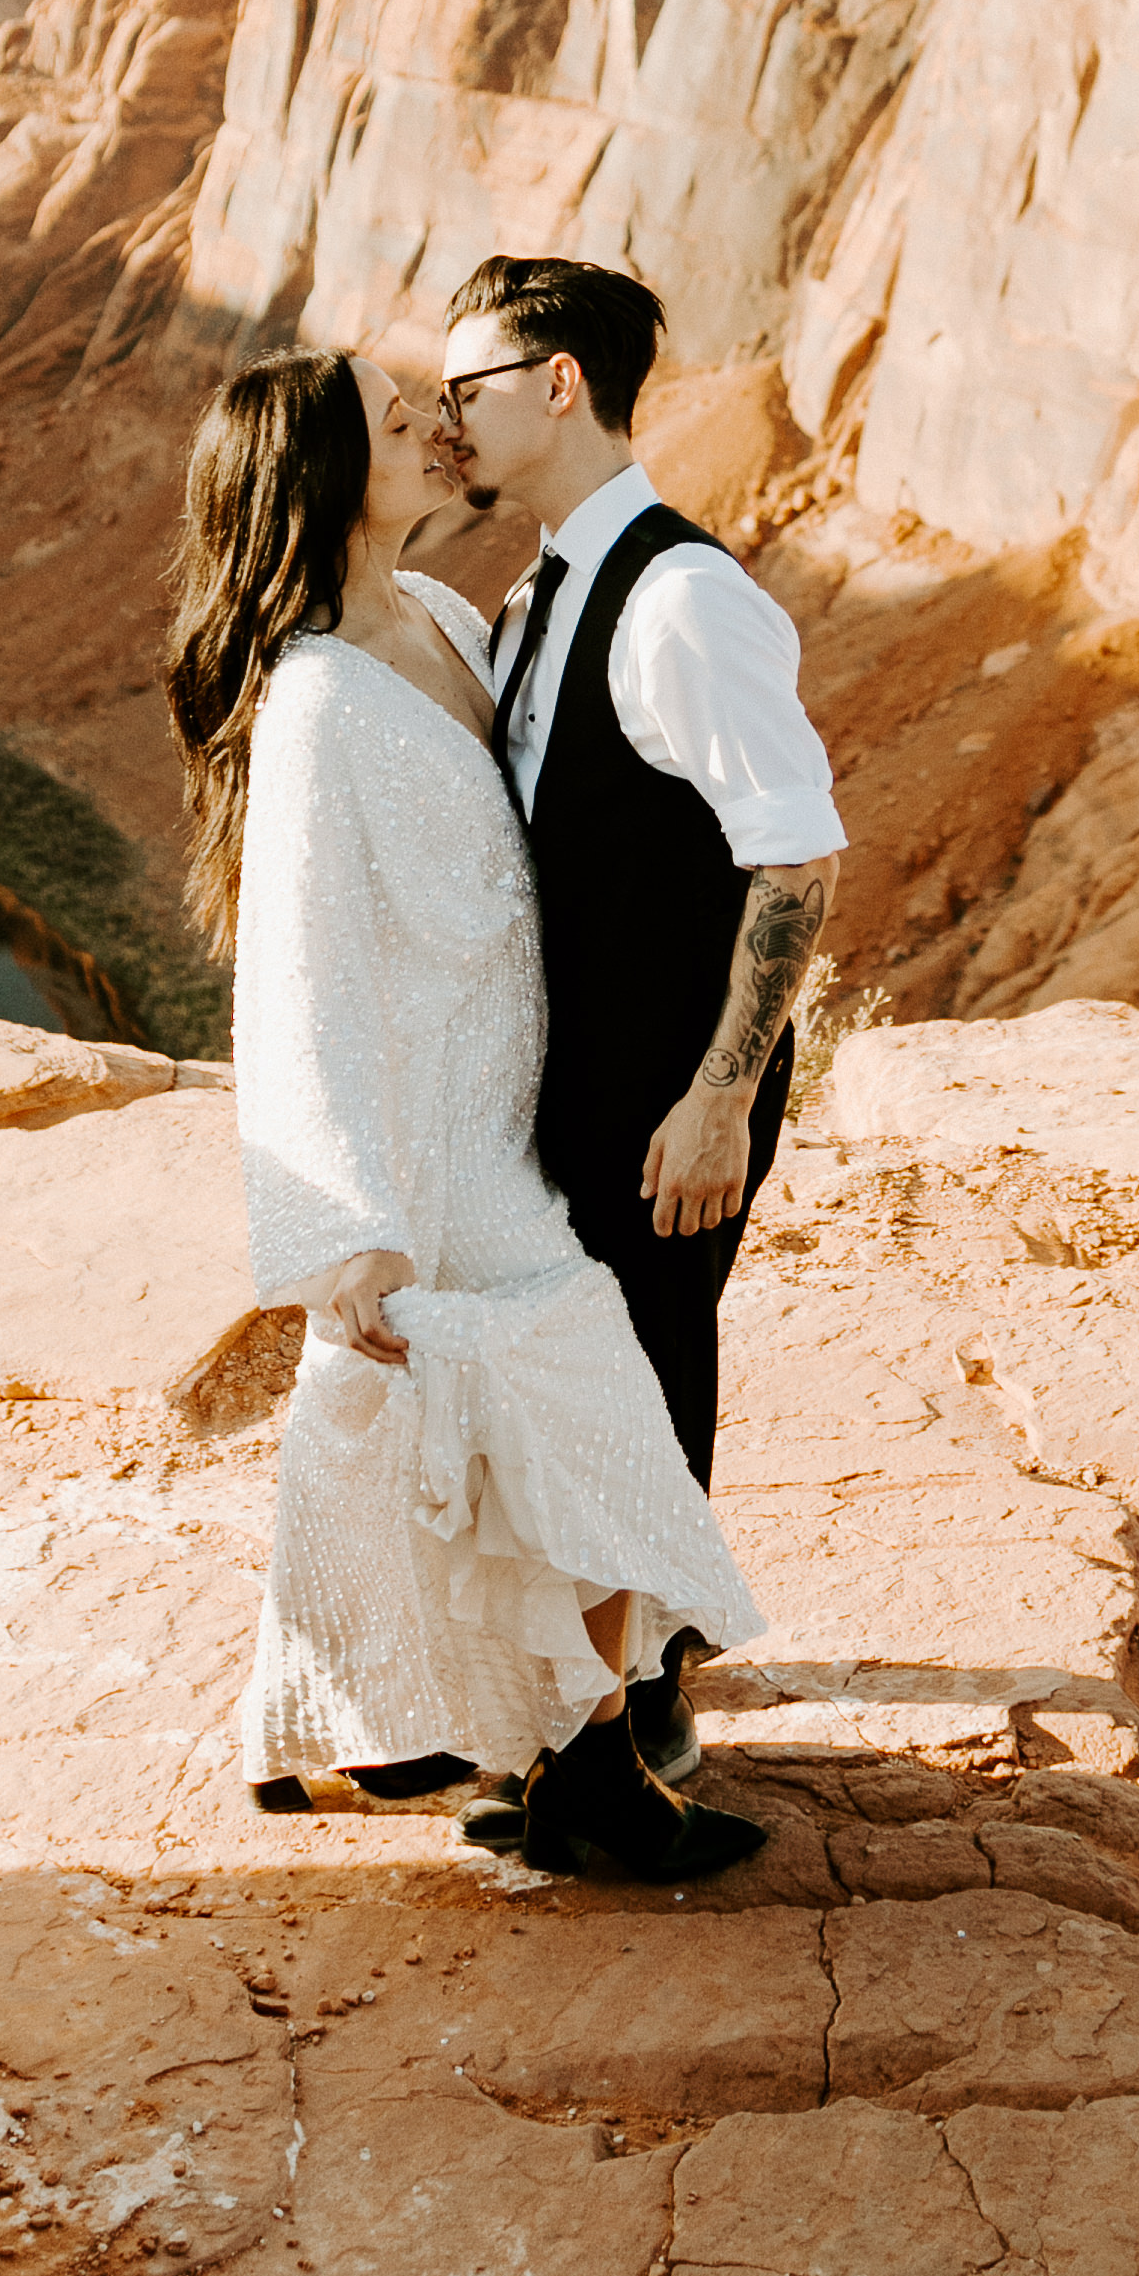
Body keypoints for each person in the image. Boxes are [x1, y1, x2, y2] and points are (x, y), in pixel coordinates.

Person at [164, 343, 769, 1884]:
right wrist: (342, 1228)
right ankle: (586, 1774)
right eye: (394, 420)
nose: (437, 429)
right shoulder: (310, 695)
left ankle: (383, 1730)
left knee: (458, 1439)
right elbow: (295, 970)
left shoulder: (439, 617)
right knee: (568, 1403)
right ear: (321, 471)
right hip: (422, 1129)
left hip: (508, 1102)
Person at [436, 256, 845, 1799]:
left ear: (558, 383)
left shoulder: (681, 600)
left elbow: (795, 853)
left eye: (468, 387)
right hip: (581, 1069)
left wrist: (718, 1096)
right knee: (581, 1358)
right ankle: (594, 1660)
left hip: (671, 1080)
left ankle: (648, 1689)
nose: (445, 419)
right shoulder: (540, 587)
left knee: (652, 1355)